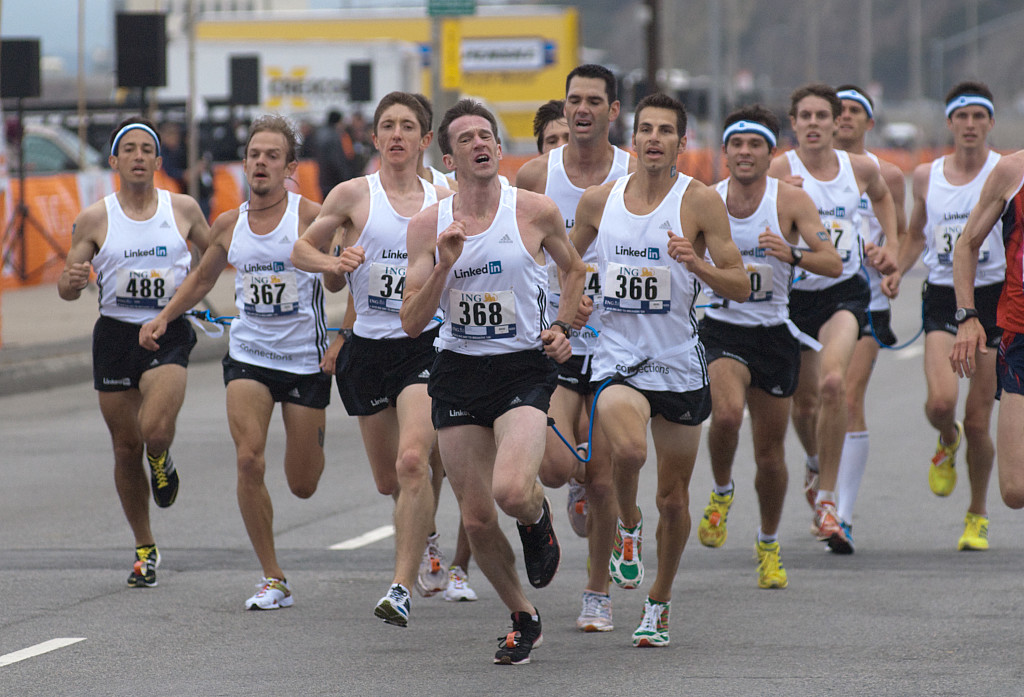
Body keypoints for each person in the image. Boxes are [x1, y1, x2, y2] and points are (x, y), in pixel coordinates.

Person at [401, 98, 587, 665]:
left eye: (487, 136)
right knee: (478, 518)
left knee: (510, 491)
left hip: (522, 367)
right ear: (448, 159)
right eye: (466, 139)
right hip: (458, 371)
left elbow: (575, 270)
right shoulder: (427, 225)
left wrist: (563, 326)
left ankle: (535, 516)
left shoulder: (534, 211)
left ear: (500, 149)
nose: (479, 144)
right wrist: (444, 264)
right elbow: (410, 321)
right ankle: (522, 616)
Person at [572, 93, 749, 647]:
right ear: (632, 139)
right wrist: (570, 305)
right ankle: (628, 525)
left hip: (677, 363)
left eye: (665, 131)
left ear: (681, 142)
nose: (654, 138)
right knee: (628, 452)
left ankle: (660, 601)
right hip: (616, 356)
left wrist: (698, 265)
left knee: (673, 499)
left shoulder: (699, 202)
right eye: (645, 129)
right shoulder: (599, 202)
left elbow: (740, 283)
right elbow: (563, 262)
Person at [138, 115, 332, 609]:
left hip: (304, 360)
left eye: (272, 156)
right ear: (244, 164)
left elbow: (346, 272)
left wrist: (346, 334)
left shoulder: (312, 217)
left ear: (290, 167)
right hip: (249, 355)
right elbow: (202, 279)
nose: (261, 163)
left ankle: (306, 465)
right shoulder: (229, 223)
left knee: (303, 484)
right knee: (248, 459)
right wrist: (163, 317)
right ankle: (273, 577)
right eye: (254, 155)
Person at [291, 92, 466, 626]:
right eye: (387, 125)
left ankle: (400, 586)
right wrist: (334, 263)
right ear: (374, 138)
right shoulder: (352, 194)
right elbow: (301, 250)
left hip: (425, 343)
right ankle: (426, 530)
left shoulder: (446, 196)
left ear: (425, 139)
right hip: (367, 349)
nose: (396, 135)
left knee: (413, 461)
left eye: (407, 126)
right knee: (390, 481)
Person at [57, 117, 210, 587]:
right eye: (130, 149)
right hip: (115, 337)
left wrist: (197, 288)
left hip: (168, 330)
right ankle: (145, 548)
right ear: (114, 160)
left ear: (158, 160)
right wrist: (72, 281)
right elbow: (67, 286)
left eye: (147, 149)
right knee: (126, 448)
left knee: (154, 430)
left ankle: (161, 456)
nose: (139, 156)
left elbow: (217, 257)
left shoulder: (182, 208)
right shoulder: (94, 218)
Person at [695, 105, 842, 588]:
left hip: (774, 334)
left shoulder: (791, 202)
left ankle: (768, 542)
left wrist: (792, 252)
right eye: (736, 144)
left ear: (770, 152)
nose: (744, 152)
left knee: (770, 455)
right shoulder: (706, 200)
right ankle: (721, 492)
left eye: (754, 144)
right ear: (724, 152)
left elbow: (833, 262)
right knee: (726, 415)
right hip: (722, 328)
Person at [516, 64, 635, 633]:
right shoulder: (536, 174)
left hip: (615, 347)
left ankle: (597, 593)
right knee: (558, 466)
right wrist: (563, 309)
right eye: (573, 100)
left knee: (604, 477)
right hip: (556, 342)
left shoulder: (635, 174)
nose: (581, 109)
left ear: (613, 110)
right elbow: (522, 256)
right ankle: (566, 494)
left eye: (593, 100)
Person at [767, 83, 899, 554]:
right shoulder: (778, 168)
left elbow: (884, 198)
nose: (814, 123)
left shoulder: (859, 168)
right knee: (803, 407)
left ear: (834, 121)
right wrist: (780, 200)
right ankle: (813, 459)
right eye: (805, 115)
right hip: (792, 296)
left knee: (833, 383)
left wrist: (891, 247)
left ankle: (827, 502)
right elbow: (746, 214)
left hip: (843, 292)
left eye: (822, 115)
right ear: (794, 123)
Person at [885, 82, 1003, 550]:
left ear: (990, 122)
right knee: (940, 404)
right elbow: (916, 233)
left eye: (979, 116)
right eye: (962, 116)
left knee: (978, 420)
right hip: (943, 295)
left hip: (993, 298)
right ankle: (946, 440)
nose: (970, 125)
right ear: (950, 122)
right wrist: (898, 268)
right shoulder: (926, 176)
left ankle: (977, 514)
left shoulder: (1005, 173)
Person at [828, 85, 908, 535]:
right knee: (814, 402)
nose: (844, 116)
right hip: (813, 300)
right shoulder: (798, 173)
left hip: (868, 301)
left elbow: (901, 233)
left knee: (847, 395)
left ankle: (842, 514)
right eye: (837, 110)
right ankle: (821, 463)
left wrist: (892, 261)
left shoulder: (887, 175)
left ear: (869, 122)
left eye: (854, 110)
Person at [951, 150, 1024, 512]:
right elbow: (966, 244)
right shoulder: (1013, 171)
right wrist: (967, 316)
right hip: (1020, 337)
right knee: (1014, 490)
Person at [316, 109, 358, 199]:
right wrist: (347, 178)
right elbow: (337, 161)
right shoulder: (334, 137)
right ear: (338, 122)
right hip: (334, 180)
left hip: (323, 178)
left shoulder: (320, 134)